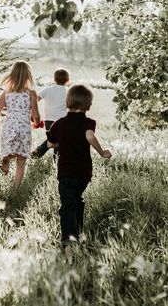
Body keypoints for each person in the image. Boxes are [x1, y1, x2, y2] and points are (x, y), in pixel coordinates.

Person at [46, 84, 112, 252]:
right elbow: (89, 135)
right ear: (87, 105)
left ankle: (69, 244)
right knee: (77, 200)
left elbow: (50, 143)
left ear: (68, 101)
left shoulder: (60, 123)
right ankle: (79, 233)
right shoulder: (89, 122)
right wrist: (102, 152)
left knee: (67, 206)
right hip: (83, 173)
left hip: (66, 172)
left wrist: (58, 142)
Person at [0, 60, 40, 188]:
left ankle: (6, 158)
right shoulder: (31, 93)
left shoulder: (7, 92)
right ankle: (15, 191)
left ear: (13, 74)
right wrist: (37, 122)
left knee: (10, 149)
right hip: (23, 129)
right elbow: (36, 116)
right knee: (21, 162)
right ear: (29, 75)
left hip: (9, 126)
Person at [32, 67, 69, 158]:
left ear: (54, 79)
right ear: (67, 80)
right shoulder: (67, 92)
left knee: (53, 139)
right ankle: (56, 161)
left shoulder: (47, 89)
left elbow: (35, 100)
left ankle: (37, 152)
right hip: (62, 121)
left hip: (48, 120)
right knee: (59, 141)